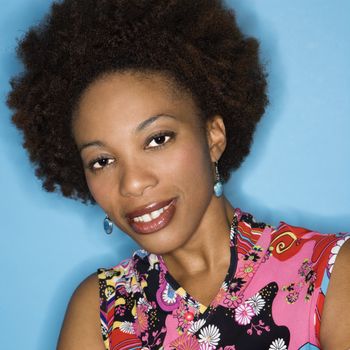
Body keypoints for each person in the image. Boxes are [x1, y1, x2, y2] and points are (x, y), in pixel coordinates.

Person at [6, 0, 350, 349]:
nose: (133, 183)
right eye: (102, 161)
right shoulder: (100, 313)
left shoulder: (331, 276)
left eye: (157, 139)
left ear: (213, 137)